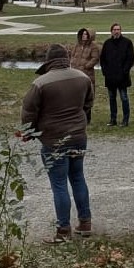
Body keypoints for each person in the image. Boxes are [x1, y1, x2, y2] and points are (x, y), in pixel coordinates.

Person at [19, 44, 94, 242]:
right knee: (78, 177)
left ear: (48, 61)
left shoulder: (40, 83)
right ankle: (85, 222)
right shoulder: (83, 77)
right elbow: (88, 104)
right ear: (66, 58)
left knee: (59, 184)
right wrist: (81, 121)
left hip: (54, 140)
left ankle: (63, 230)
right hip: (78, 137)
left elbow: (29, 112)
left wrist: (29, 132)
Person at [100, 23, 134, 127]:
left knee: (124, 98)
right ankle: (113, 119)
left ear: (120, 31)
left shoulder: (127, 42)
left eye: (118, 29)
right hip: (110, 76)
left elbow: (130, 59)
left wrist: (125, 71)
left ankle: (125, 120)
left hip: (122, 77)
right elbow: (103, 59)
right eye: (114, 29)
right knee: (112, 98)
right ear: (111, 31)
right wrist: (105, 72)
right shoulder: (107, 43)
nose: (116, 31)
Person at [70, 28, 102, 97]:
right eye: (83, 34)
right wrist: (72, 64)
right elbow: (72, 55)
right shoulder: (77, 45)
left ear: (90, 36)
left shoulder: (93, 46)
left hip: (87, 73)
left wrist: (86, 66)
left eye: (86, 34)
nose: (83, 35)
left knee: (87, 92)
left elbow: (95, 58)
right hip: (75, 72)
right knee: (76, 92)